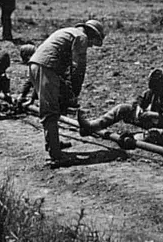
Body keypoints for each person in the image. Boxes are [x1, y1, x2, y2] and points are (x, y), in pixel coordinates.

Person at [28, 20, 106, 162]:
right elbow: (78, 68)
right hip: (46, 68)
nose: (90, 46)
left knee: (54, 106)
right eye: (92, 42)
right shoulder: (81, 37)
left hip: (38, 66)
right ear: (91, 33)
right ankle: (56, 155)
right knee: (50, 111)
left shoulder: (68, 31)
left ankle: (53, 143)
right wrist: (75, 92)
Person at [78, 68, 163, 145]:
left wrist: (152, 115)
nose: (153, 91)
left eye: (156, 89)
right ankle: (93, 126)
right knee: (123, 109)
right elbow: (141, 98)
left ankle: (135, 138)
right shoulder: (155, 90)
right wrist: (139, 108)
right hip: (152, 121)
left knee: (154, 135)